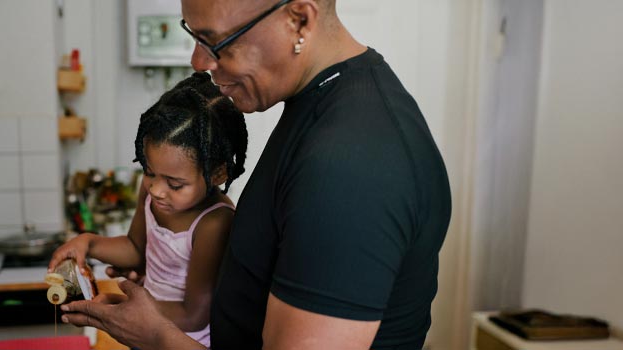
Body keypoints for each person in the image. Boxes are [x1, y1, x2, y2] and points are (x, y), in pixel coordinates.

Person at [58, 0, 452, 349]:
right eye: (193, 35)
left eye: (216, 41)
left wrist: (156, 334)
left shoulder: (350, 166)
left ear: (298, 19)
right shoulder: (322, 104)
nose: (199, 62)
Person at [48, 72, 246, 347]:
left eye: (175, 184)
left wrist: (122, 307)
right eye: (149, 172)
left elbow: (194, 315)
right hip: (142, 331)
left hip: (180, 339)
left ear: (218, 174)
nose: (156, 189)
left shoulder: (214, 223)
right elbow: (135, 248)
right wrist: (88, 243)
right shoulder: (153, 191)